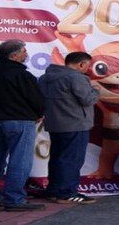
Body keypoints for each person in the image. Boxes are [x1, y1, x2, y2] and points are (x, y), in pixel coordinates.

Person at [0, 39, 46, 211]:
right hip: (20, 121)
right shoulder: (22, 74)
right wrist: (39, 113)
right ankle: (14, 199)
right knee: (20, 160)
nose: (26, 54)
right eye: (24, 51)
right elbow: (36, 99)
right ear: (14, 55)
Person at [39, 51, 99, 204]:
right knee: (72, 159)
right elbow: (87, 99)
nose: (88, 69)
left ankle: (53, 190)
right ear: (81, 64)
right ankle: (67, 192)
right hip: (75, 124)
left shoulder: (45, 78)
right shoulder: (76, 77)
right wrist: (96, 90)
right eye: (87, 65)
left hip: (55, 124)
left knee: (57, 158)